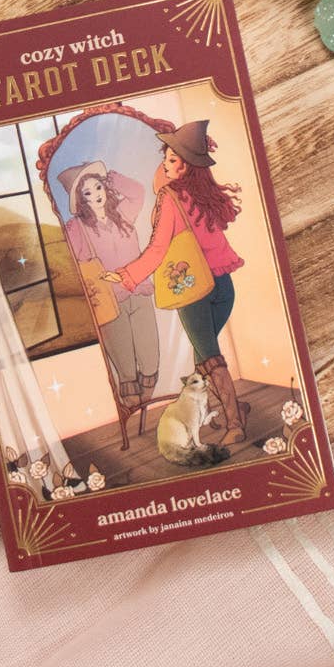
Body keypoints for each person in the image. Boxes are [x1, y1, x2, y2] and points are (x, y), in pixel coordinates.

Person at [104, 120, 249, 445]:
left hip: (193, 290)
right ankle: (231, 408)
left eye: (172, 160)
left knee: (210, 358)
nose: (165, 165)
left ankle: (235, 424)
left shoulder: (171, 198)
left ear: (187, 165)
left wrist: (126, 274)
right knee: (203, 355)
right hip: (223, 288)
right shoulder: (206, 194)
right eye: (165, 158)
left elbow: (158, 248)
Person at [58, 160, 160, 445]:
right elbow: (73, 264)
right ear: (80, 200)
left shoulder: (123, 214)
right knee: (126, 368)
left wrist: (112, 176)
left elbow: (138, 192)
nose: (95, 195)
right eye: (87, 192)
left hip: (137, 292)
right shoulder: (76, 228)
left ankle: (146, 413)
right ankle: (134, 428)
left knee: (150, 359)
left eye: (98, 187)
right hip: (108, 304)